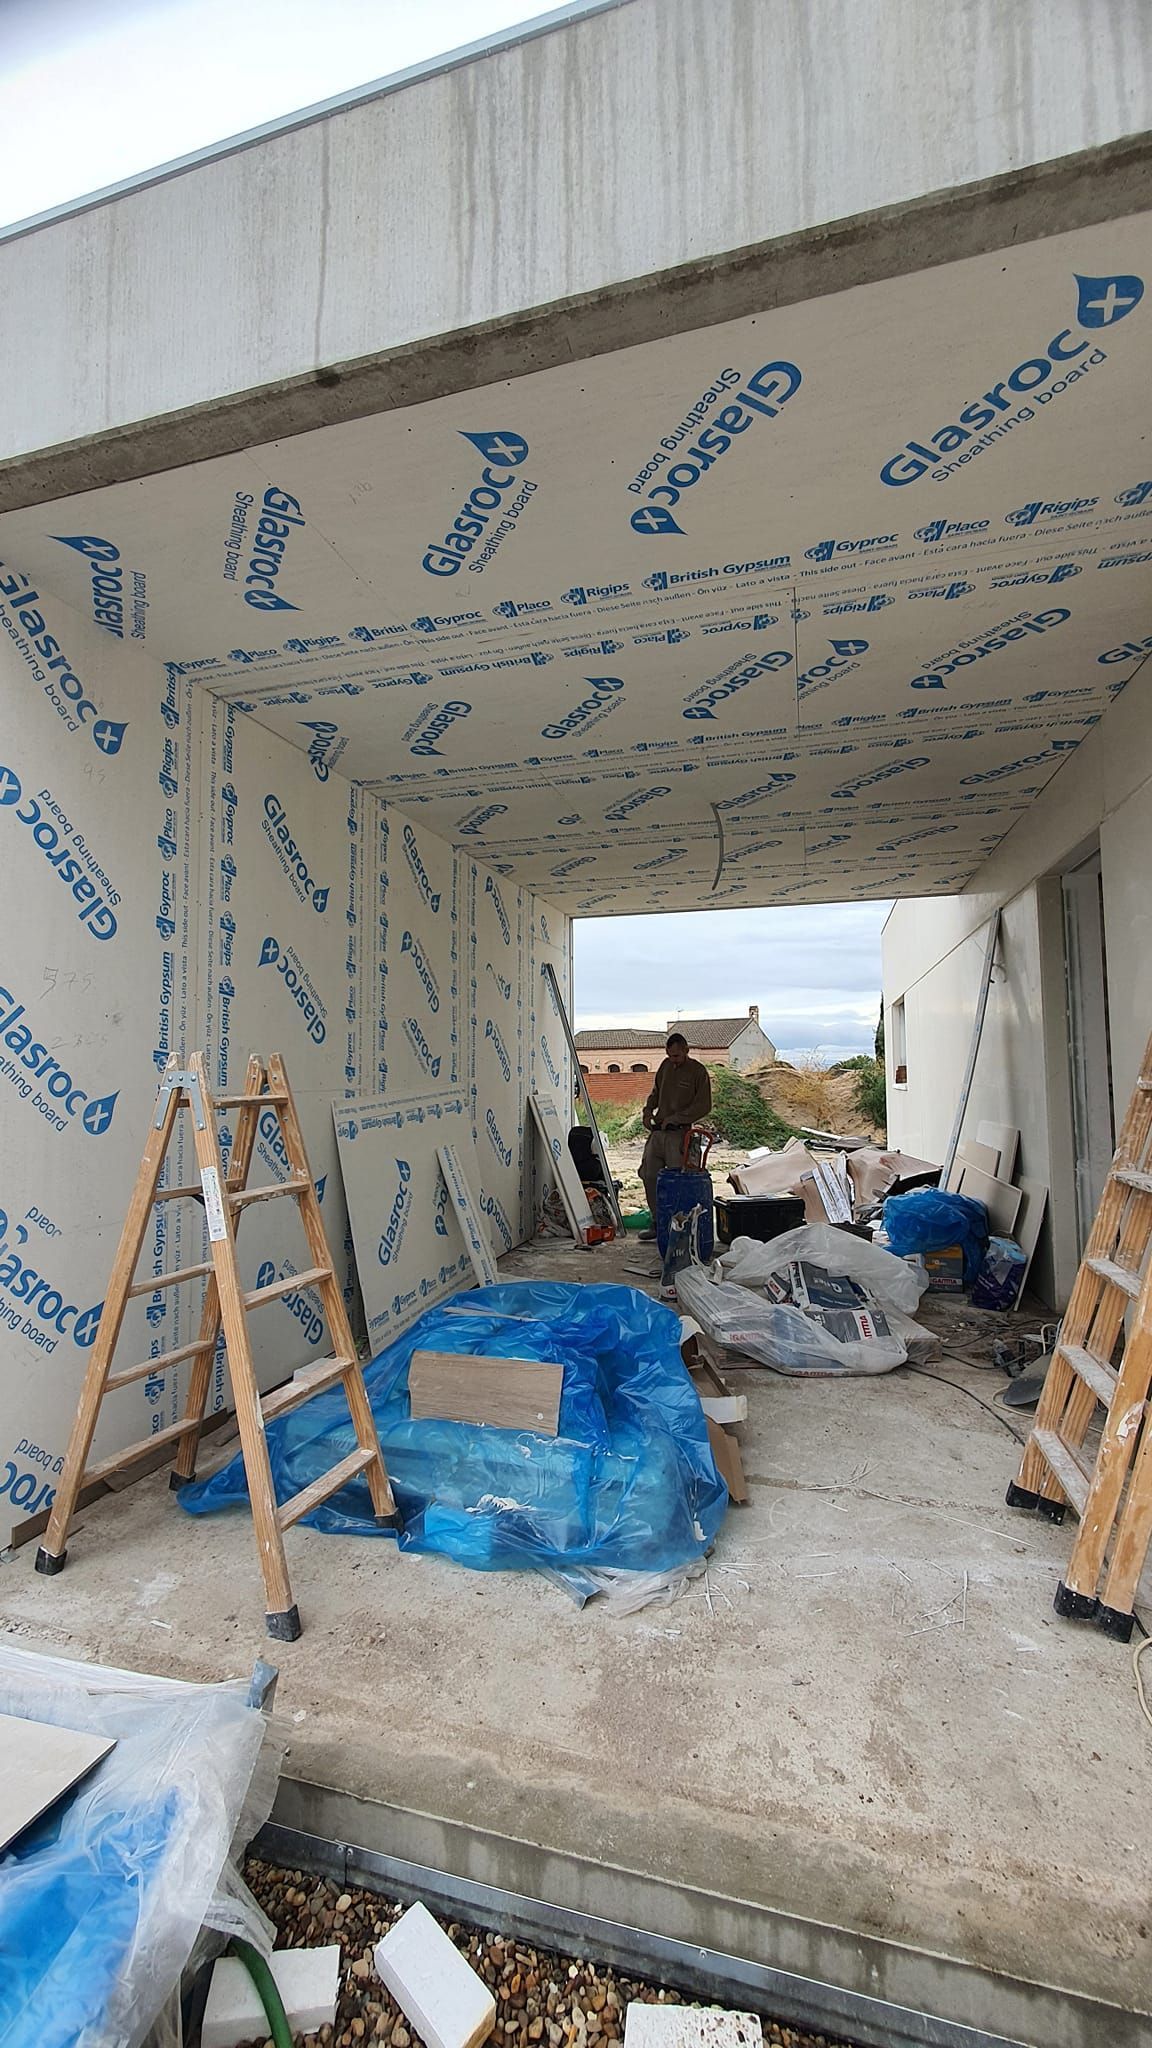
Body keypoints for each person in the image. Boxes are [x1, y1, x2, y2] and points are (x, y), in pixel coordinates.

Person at [638, 1032, 712, 1237]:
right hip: (658, 1132)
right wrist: (647, 1111)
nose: (673, 1060)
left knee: (677, 1180)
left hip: (680, 1135)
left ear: (687, 1051)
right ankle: (657, 1222)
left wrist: (679, 1118)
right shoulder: (665, 1067)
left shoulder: (698, 1072)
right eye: (670, 1056)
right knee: (649, 1174)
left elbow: (704, 1105)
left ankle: (679, 1225)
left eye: (677, 1056)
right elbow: (655, 1093)